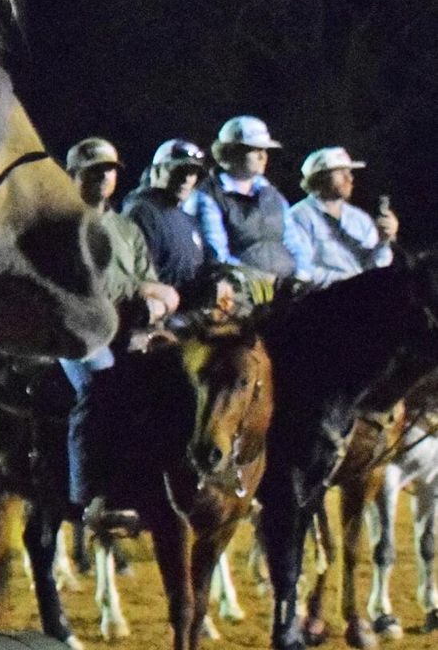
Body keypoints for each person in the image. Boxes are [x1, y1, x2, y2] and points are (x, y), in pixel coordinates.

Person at [58, 138, 180, 520]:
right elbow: (82, 285)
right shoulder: (62, 225)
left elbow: (151, 279)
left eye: (109, 170)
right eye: (93, 171)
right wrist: (143, 292)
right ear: (73, 176)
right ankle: (89, 493)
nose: (104, 178)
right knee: (100, 385)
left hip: (132, 324)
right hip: (78, 327)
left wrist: (155, 302)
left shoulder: (126, 229)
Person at [193, 115, 308, 291]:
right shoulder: (208, 196)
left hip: (288, 287)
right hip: (244, 292)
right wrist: (264, 281)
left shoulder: (272, 194)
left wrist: (301, 275)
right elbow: (217, 255)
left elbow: (295, 242)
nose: (263, 156)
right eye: (254, 150)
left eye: (265, 150)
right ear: (230, 152)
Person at [289, 147, 399, 288]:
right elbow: (301, 271)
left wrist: (384, 242)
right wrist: (352, 282)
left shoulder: (360, 219)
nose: (350, 178)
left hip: (362, 298)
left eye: (349, 172)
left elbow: (377, 268)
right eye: (341, 172)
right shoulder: (299, 217)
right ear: (320, 178)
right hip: (322, 301)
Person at [121, 139, 207, 301]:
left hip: (187, 310)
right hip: (159, 313)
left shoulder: (187, 219)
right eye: (179, 170)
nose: (187, 179)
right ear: (156, 171)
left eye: (192, 172)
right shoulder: (142, 213)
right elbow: (141, 277)